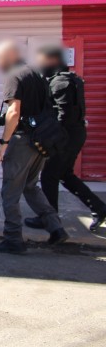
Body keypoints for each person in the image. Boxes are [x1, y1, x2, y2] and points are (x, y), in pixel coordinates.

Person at [0, 40, 69, 254]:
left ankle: (13, 239)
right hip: (39, 141)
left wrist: (4, 143)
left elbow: (14, 112)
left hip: (22, 141)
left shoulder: (14, 76)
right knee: (31, 186)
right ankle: (56, 227)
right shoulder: (36, 74)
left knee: (10, 191)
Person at [24, 45, 106, 232]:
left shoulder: (59, 82)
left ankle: (49, 219)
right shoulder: (72, 79)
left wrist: (51, 138)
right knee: (64, 175)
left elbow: (63, 116)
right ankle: (99, 208)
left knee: (49, 175)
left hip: (65, 137)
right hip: (75, 134)